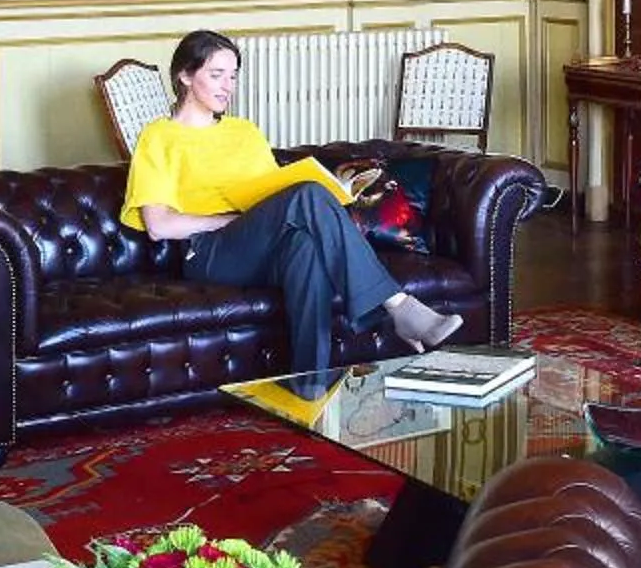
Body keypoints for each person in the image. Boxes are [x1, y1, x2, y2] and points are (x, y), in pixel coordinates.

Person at [121, 29, 462, 370]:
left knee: (305, 248)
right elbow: (158, 224)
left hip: (257, 245)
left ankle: (311, 385)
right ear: (185, 75)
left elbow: (274, 194)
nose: (227, 86)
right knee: (308, 195)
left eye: (233, 76)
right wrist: (231, 221)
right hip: (207, 252)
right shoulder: (158, 136)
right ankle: (399, 306)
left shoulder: (244, 132)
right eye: (216, 75)